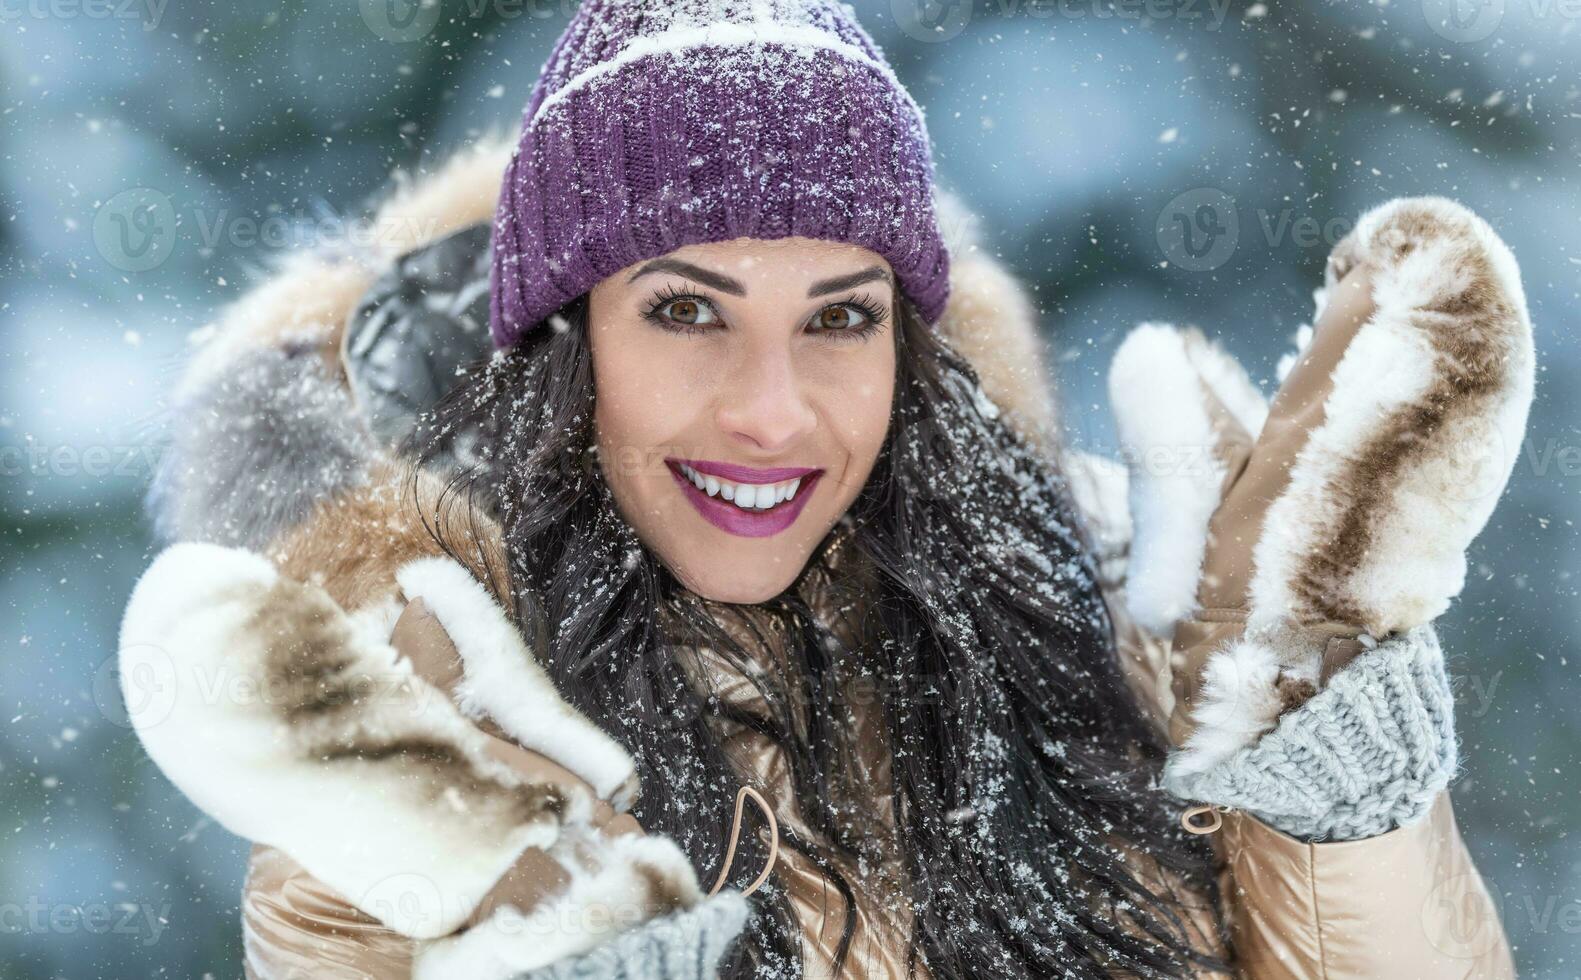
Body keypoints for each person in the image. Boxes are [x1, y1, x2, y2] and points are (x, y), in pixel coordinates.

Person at [120, 1, 1531, 976]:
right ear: (563, 341)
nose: (772, 407)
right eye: (684, 312)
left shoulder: (1085, 613)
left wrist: (1313, 723)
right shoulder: (417, 713)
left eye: (841, 317)